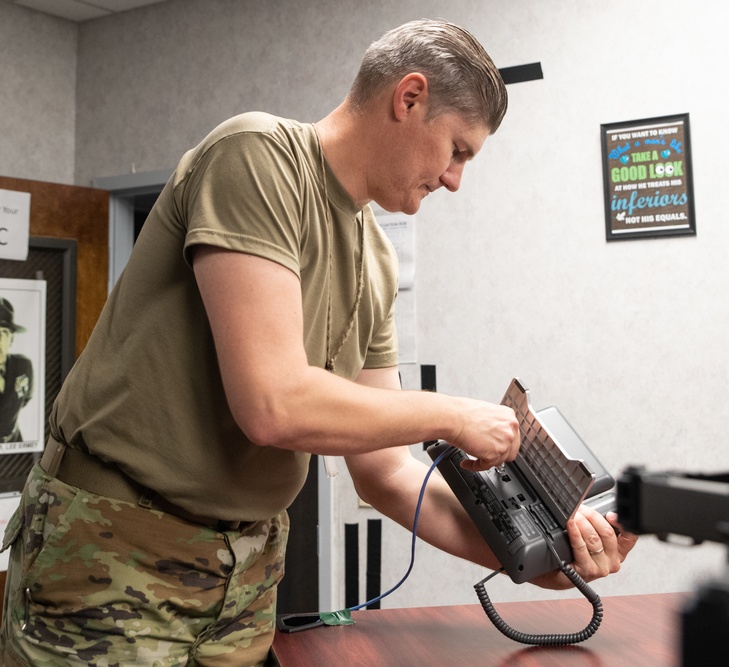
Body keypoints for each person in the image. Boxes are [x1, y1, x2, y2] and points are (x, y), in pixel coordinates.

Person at [0, 19, 637, 666]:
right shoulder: (258, 156)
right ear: (409, 97)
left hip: (243, 577)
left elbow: (386, 472)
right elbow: (273, 402)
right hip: (112, 548)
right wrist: (456, 415)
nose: (454, 179)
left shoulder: (377, 259)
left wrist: (542, 561)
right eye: (458, 149)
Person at [0, 297, 33, 444]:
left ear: (12, 338)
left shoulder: (23, 366)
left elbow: (26, 398)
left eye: (4, 333)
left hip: (15, 447)